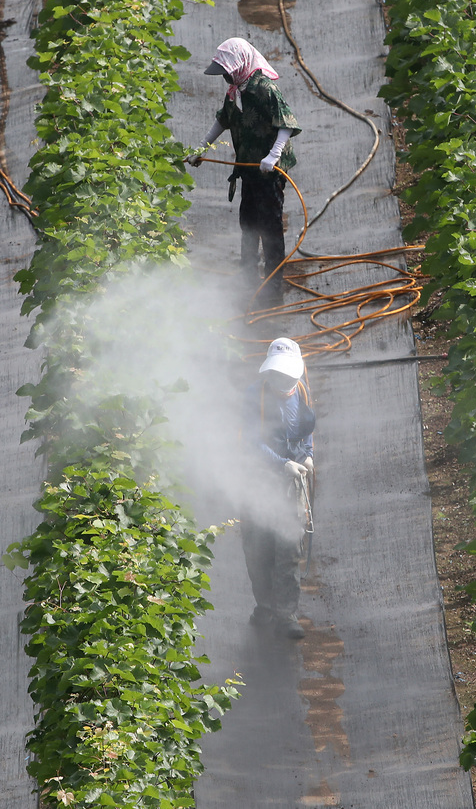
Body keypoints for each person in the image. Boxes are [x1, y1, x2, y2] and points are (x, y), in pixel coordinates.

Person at [188, 37, 301, 280]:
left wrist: (274, 154)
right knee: (248, 222)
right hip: (248, 167)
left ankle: (272, 285)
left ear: (239, 65)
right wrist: (202, 147)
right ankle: (247, 278)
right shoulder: (234, 91)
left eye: (227, 72)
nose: (225, 78)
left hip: (270, 170)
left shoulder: (264, 88)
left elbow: (287, 124)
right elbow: (223, 120)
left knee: (269, 225)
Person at [241, 337, 315, 640]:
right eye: (278, 375)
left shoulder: (302, 392)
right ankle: (265, 605)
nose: (283, 381)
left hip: (292, 483)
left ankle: (286, 614)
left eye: (287, 376)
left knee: (288, 546)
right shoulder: (252, 397)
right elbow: (249, 442)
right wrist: (280, 463)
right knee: (258, 548)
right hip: (257, 481)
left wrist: (307, 455)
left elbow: (306, 433)